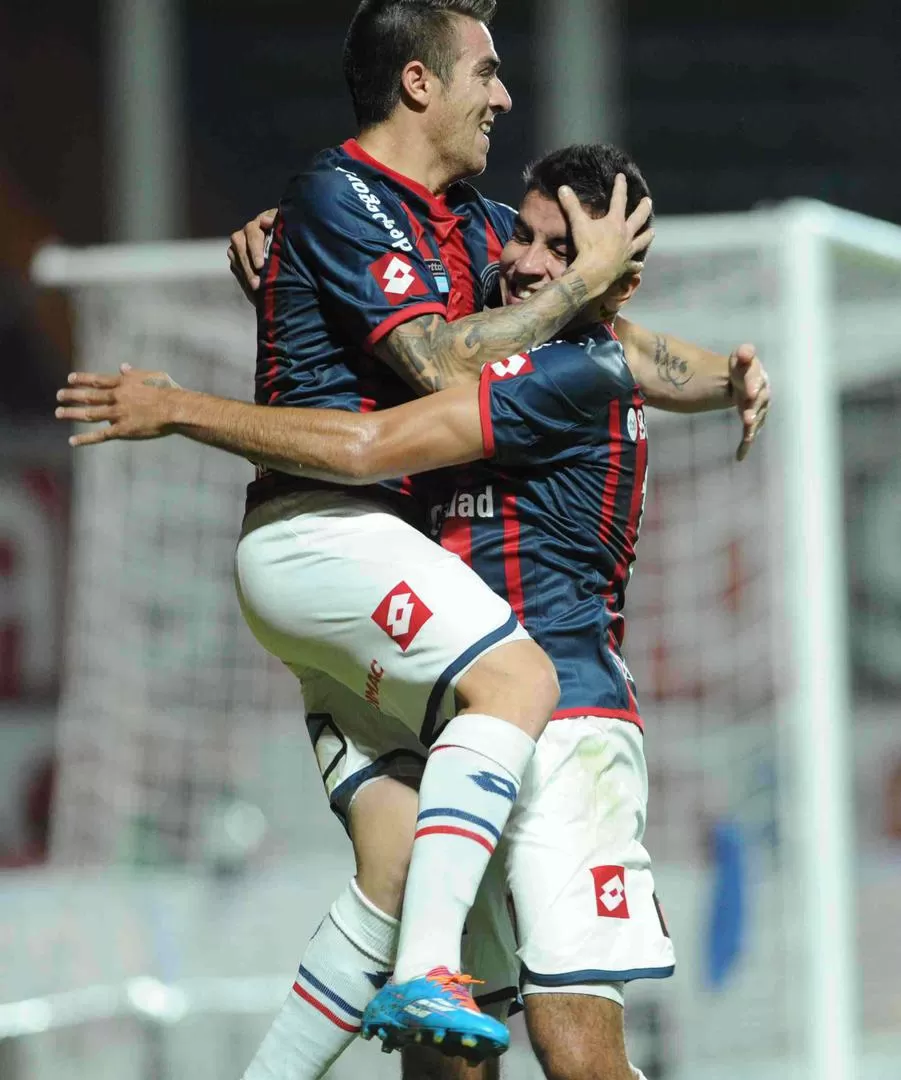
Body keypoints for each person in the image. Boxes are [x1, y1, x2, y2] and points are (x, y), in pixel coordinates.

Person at [57, 142, 768, 1080]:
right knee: (440, 1053)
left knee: (577, 1056)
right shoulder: (535, 339)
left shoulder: (567, 372)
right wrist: (305, 269)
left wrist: (182, 408)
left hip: (563, 725)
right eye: (520, 233)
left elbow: (364, 445)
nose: (520, 263)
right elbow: (450, 331)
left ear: (610, 280)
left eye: (560, 253)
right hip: (466, 721)